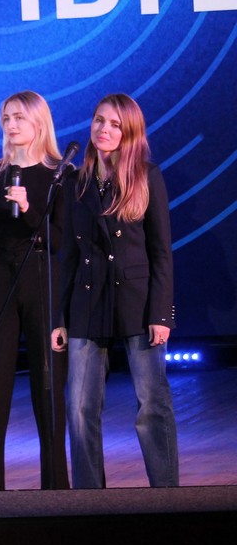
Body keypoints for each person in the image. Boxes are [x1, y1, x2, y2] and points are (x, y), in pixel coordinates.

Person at [52, 94, 178, 488]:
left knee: (152, 405)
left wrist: (161, 314)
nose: (103, 129)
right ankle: (89, 499)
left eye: (114, 124)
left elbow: (161, 252)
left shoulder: (147, 176)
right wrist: (59, 317)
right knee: (79, 408)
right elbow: (69, 256)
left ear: (130, 132)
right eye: (98, 120)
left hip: (137, 303)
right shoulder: (75, 181)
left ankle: (167, 496)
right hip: (87, 303)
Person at [0, 91, 69, 491]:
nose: (11, 125)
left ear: (39, 123)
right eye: (6, 118)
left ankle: (56, 490)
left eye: (19, 118)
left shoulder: (61, 174)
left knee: (48, 389)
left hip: (42, 279)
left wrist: (28, 210)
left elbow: (61, 241)